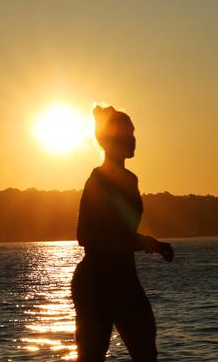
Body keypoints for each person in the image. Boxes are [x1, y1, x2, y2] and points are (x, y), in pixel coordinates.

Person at [71, 105, 174, 361]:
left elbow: (120, 230)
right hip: (97, 283)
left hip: (124, 280)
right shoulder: (98, 181)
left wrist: (149, 243)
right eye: (127, 134)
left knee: (146, 354)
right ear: (110, 140)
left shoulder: (129, 179)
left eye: (134, 133)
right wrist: (142, 242)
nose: (133, 139)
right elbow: (86, 235)